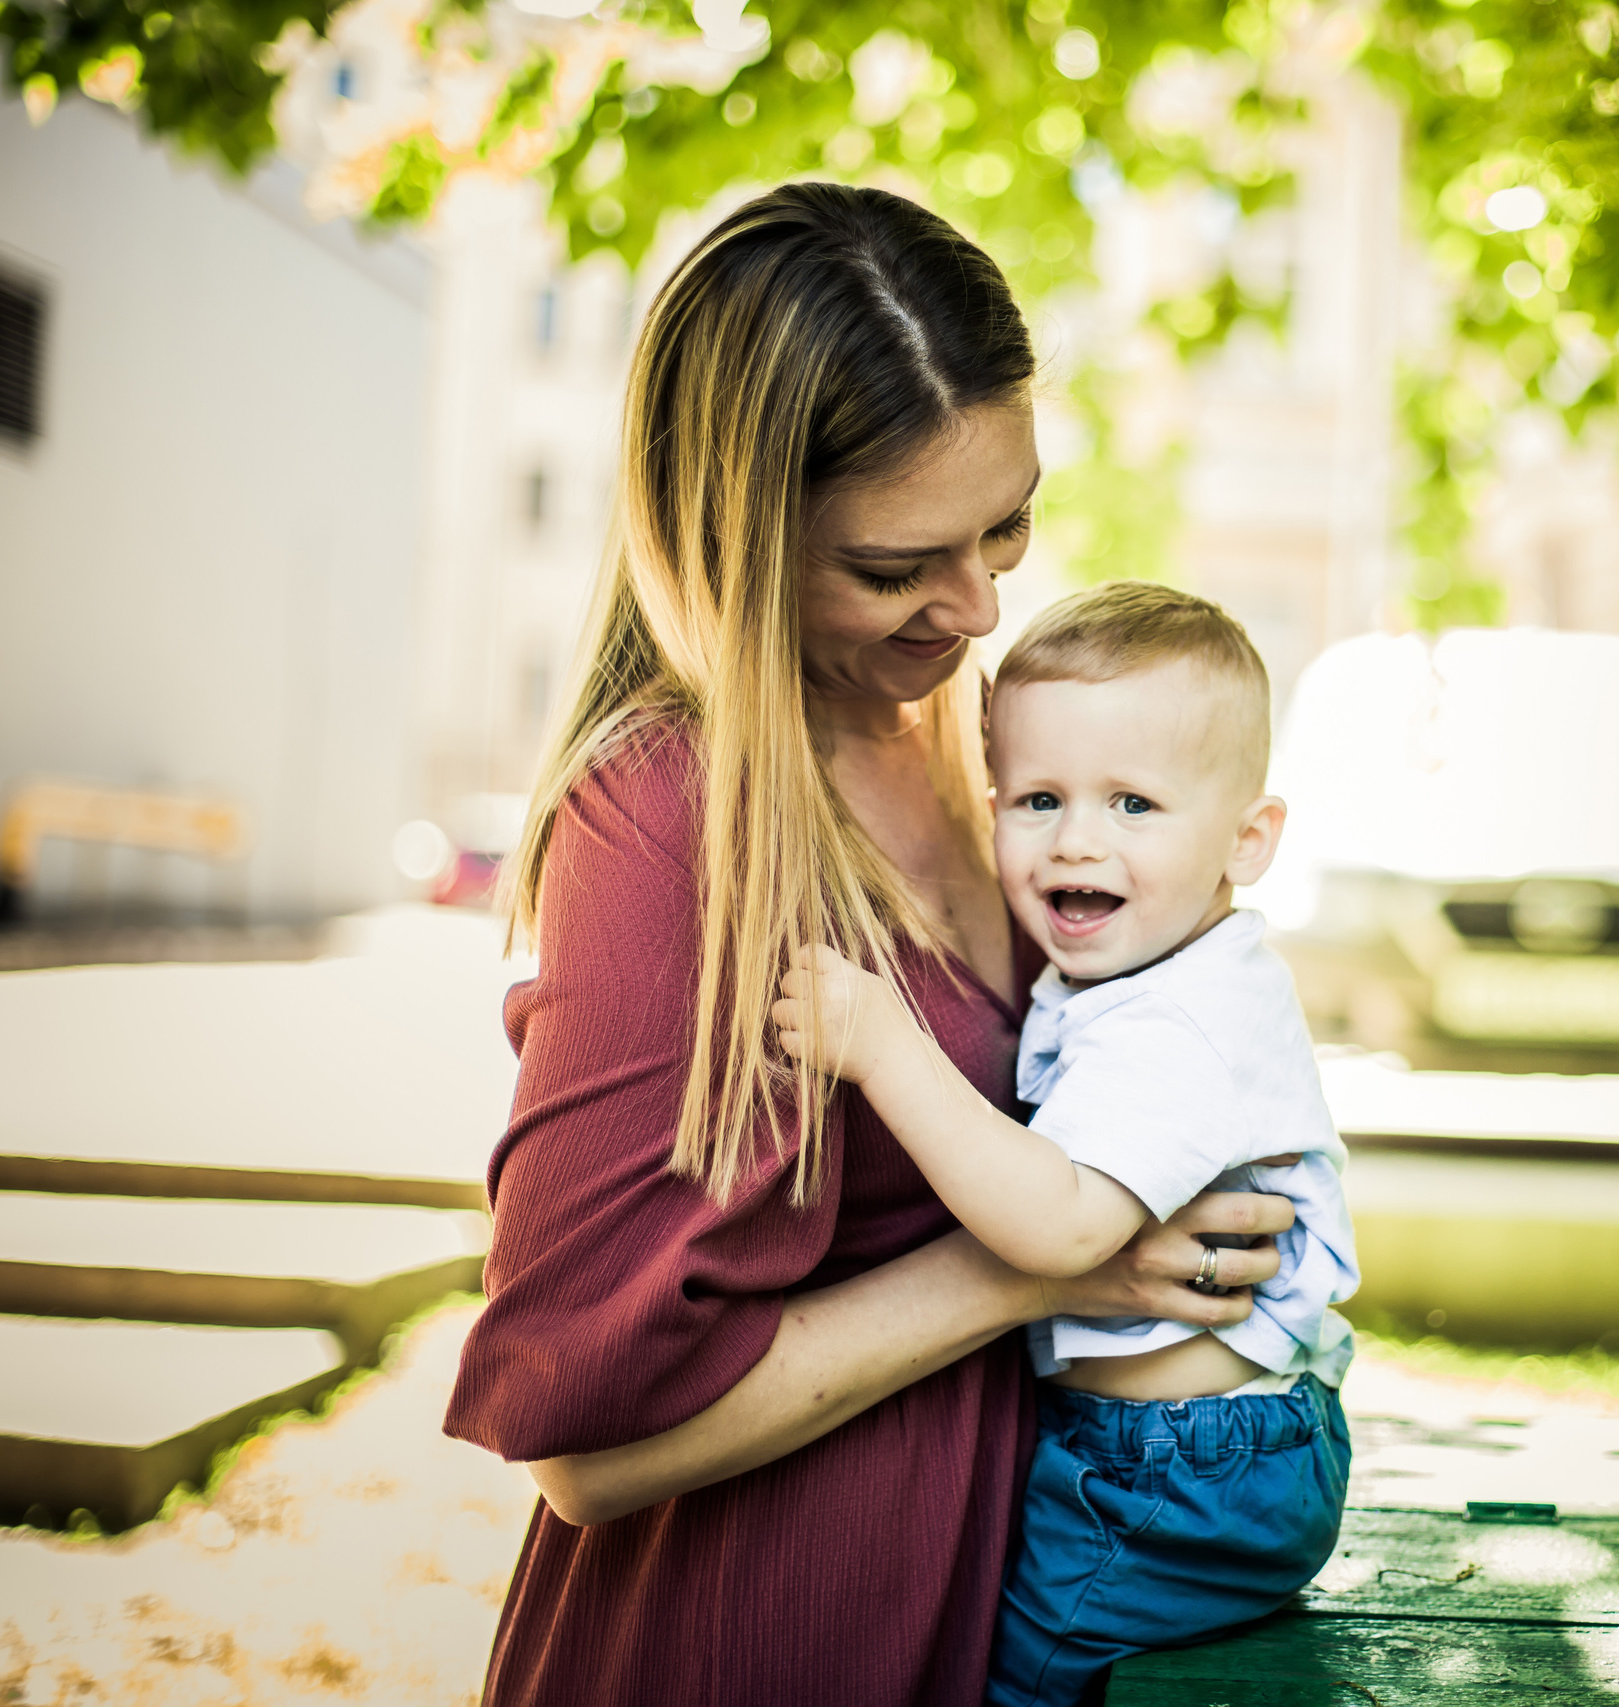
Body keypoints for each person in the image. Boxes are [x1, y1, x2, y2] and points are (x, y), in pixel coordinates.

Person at [441, 184, 1294, 1707]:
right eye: (897, 568)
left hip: (994, 1591)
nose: (975, 606)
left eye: (1008, 525)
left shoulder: (989, 748)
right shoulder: (666, 817)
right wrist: (1036, 1270)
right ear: (734, 533)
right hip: (753, 1630)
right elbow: (581, 1446)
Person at [776, 581, 1361, 1706]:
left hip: (1177, 1474)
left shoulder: (1179, 1018)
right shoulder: (1158, 972)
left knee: (1021, 1687)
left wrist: (884, 1046)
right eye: (1037, 799)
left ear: (1248, 840)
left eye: (1133, 804)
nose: (1075, 839)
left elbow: (1060, 1227)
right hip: (1183, 1449)